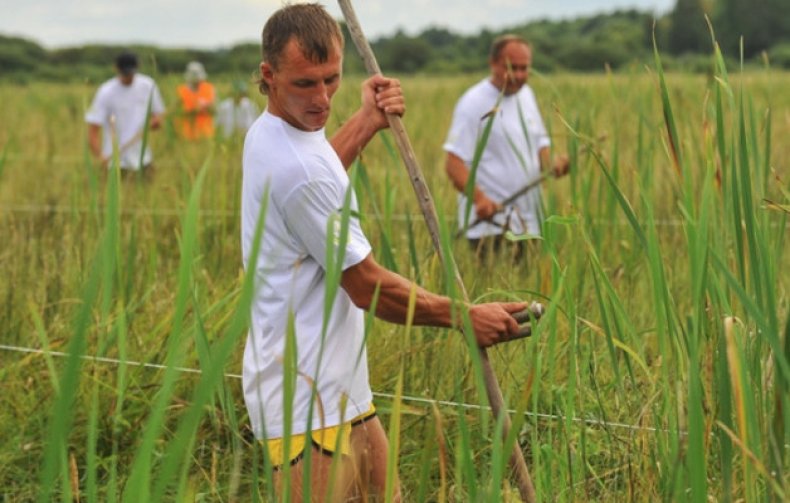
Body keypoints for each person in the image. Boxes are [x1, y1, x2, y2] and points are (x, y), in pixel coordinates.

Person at [241, 4, 530, 501]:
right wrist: (464, 316)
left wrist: (367, 120)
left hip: (343, 387)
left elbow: (321, 170)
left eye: (331, 79)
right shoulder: (295, 167)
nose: (322, 98)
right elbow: (366, 286)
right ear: (268, 75)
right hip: (302, 402)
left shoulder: (273, 134)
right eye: (305, 84)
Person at [443, 34, 569, 260]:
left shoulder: (526, 95)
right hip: (491, 228)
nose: (519, 76)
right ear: (493, 63)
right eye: (512, 67)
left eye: (524, 68)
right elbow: (453, 163)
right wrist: (480, 199)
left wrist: (554, 164)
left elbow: (540, 143)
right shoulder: (473, 103)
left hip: (529, 224)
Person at [85, 51, 165, 173]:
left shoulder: (148, 86)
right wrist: (100, 156)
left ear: (137, 67)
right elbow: (93, 130)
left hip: (143, 159)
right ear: (116, 69)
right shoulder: (106, 92)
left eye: (131, 73)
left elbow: (158, 118)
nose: (128, 77)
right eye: (124, 73)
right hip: (115, 162)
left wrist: (155, 123)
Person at [176, 61, 216, 139]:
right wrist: (194, 110)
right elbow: (177, 112)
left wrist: (208, 107)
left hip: (206, 133)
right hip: (187, 134)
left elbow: (215, 110)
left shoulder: (209, 88)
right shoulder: (181, 90)